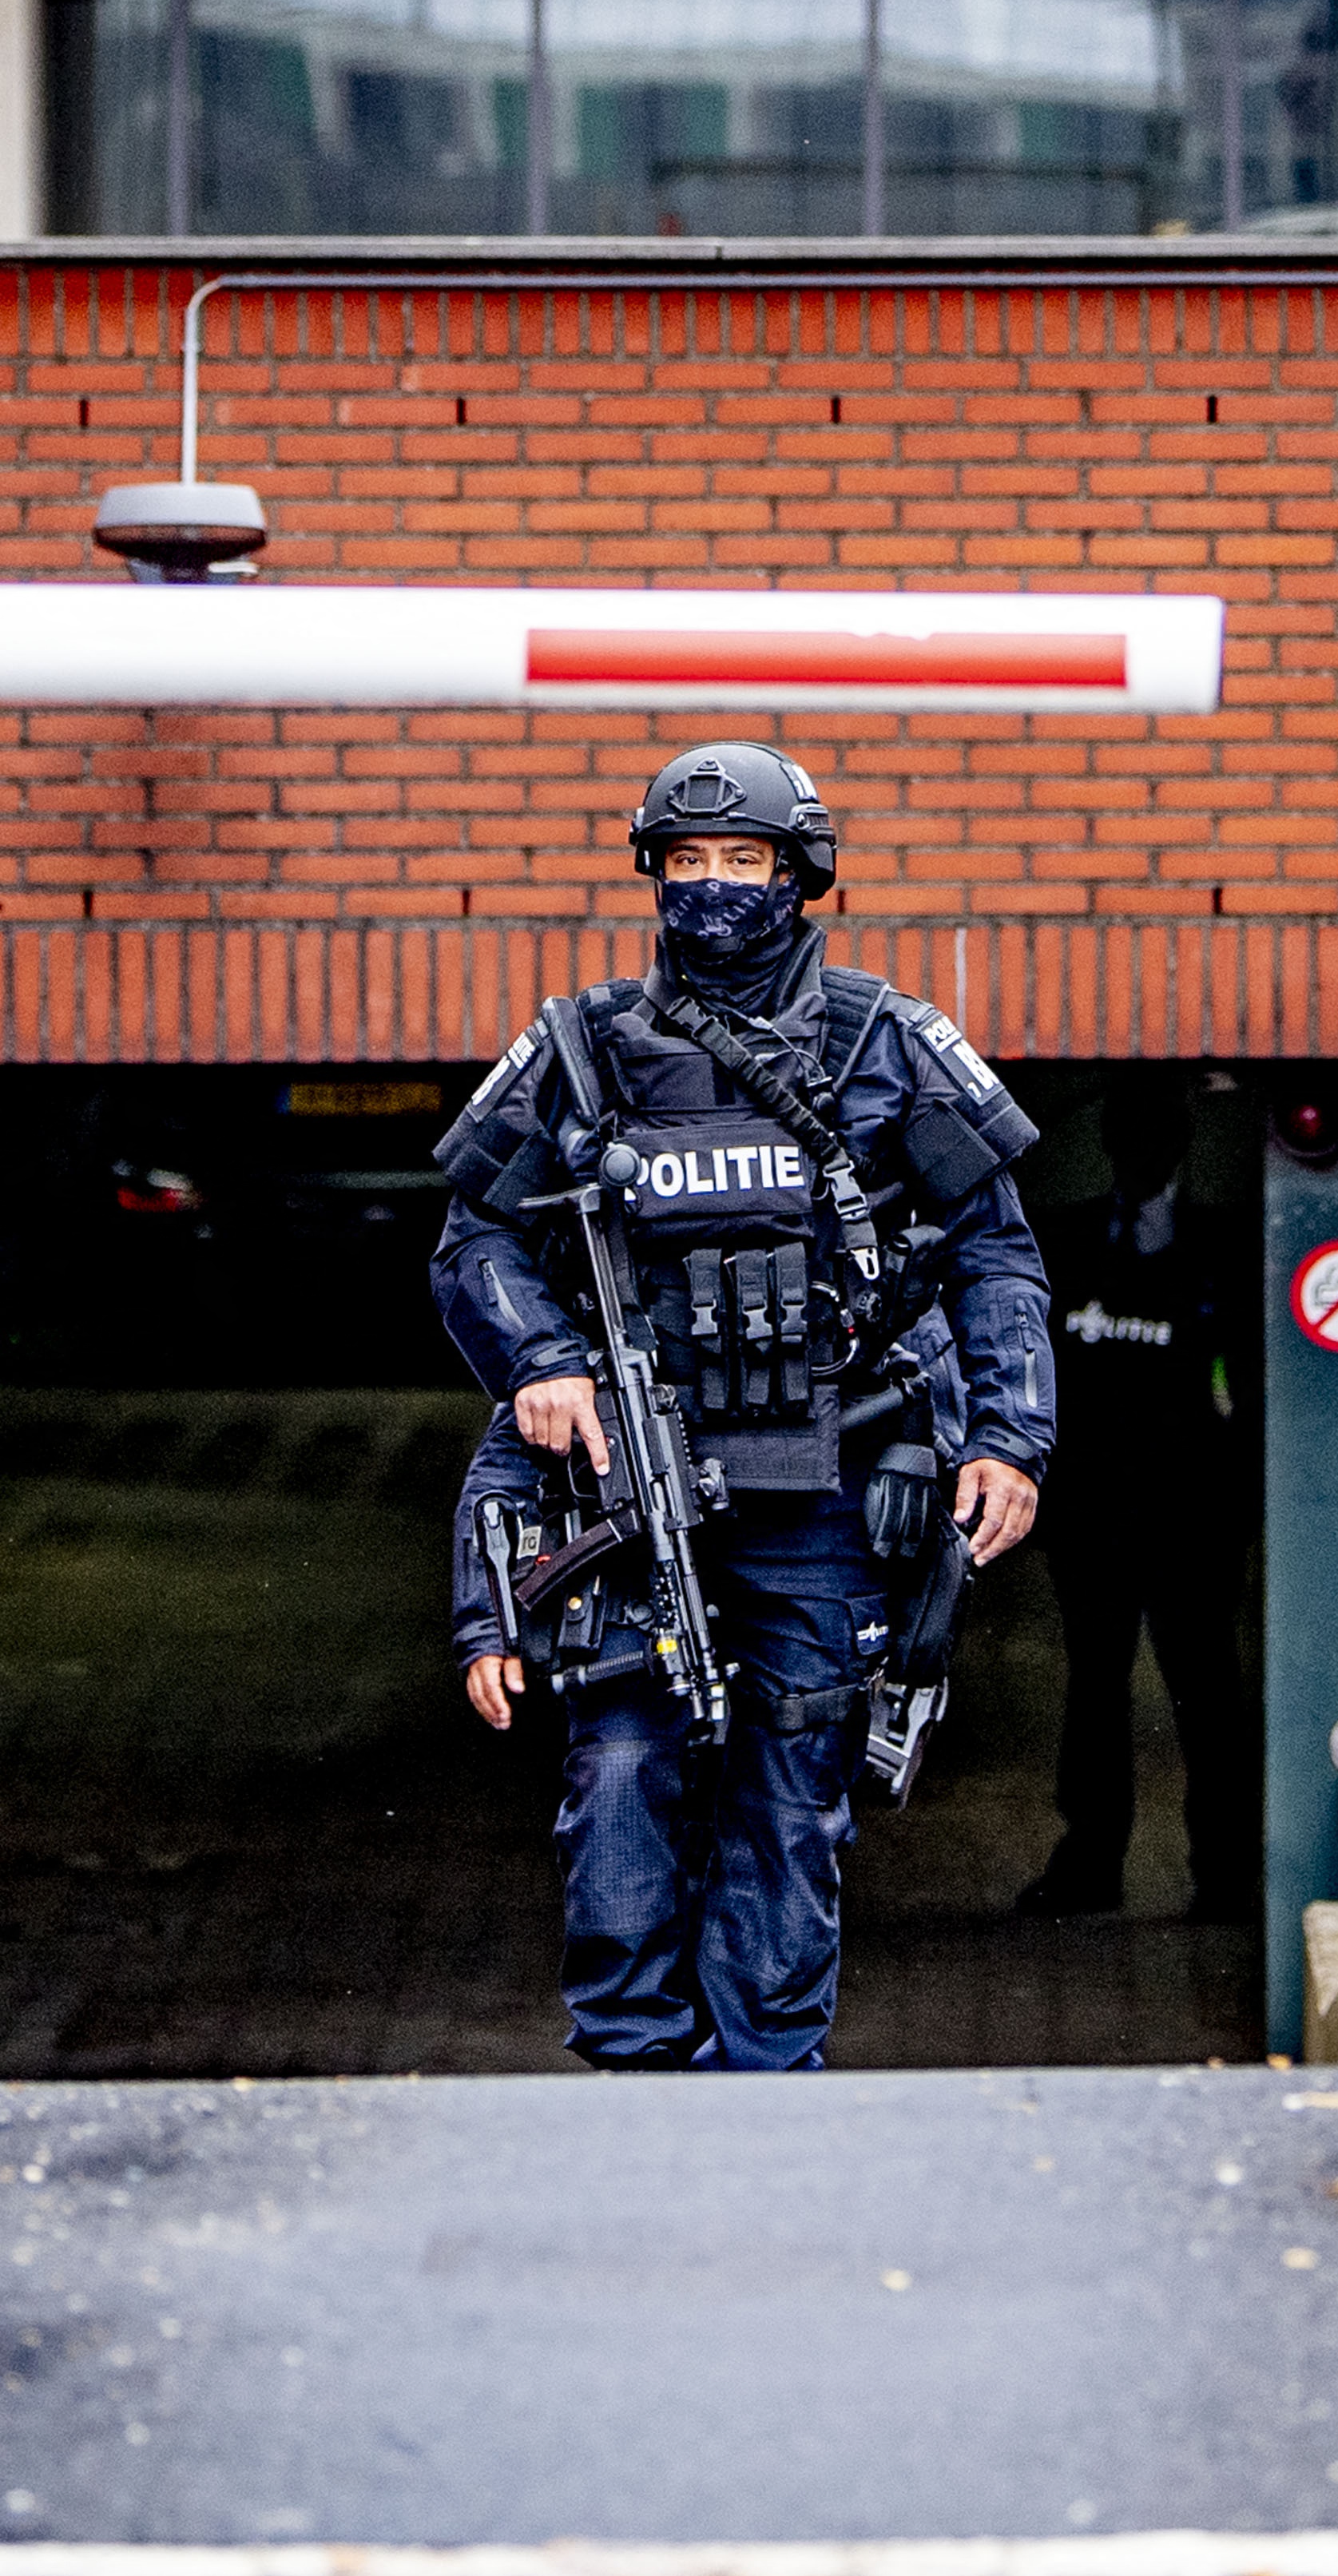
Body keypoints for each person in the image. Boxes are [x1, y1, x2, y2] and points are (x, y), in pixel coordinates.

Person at [428, 740, 1054, 2070]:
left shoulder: (887, 1042)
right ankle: (631, 2066)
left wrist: (1010, 1434)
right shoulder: (580, 1049)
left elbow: (995, 1246)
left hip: (825, 1487)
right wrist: (541, 1363)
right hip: (634, 1486)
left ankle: (766, 2086)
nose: (714, 888)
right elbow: (469, 1240)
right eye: (691, 861)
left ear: (800, 876)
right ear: (655, 871)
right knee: (618, 1779)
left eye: (745, 862)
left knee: (792, 1789)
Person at [1012, 1074, 1255, 1921]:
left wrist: (1236, 1505)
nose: (1142, 1159)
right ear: (1112, 1146)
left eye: (1155, 1141)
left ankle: (1225, 1873)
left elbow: (1249, 1393)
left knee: (1207, 1698)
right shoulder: (1069, 1240)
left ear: (1178, 1146)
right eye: (1129, 1141)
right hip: (1095, 1517)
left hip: (1193, 1521)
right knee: (1096, 1692)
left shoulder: (1224, 1247)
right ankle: (1090, 1865)